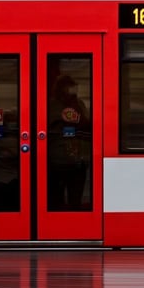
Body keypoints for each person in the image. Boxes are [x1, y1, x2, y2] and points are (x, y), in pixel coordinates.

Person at [47, 74, 92, 210]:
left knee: (75, 200)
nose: (71, 91)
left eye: (73, 88)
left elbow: (87, 125)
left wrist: (74, 105)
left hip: (78, 159)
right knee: (56, 200)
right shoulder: (52, 105)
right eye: (67, 88)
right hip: (57, 159)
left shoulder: (79, 104)